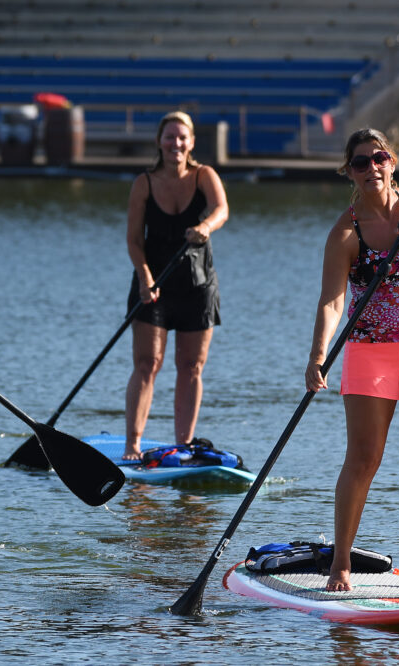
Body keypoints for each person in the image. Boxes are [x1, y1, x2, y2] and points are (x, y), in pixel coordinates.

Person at [304, 128, 399, 591]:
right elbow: (332, 302)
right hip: (370, 353)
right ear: (347, 171)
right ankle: (340, 566)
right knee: (364, 458)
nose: (371, 167)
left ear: (392, 161)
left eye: (379, 158)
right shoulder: (345, 232)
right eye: (359, 162)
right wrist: (317, 357)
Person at [124, 111, 228, 460]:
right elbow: (134, 240)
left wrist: (207, 227)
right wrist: (144, 277)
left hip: (198, 284)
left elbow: (221, 208)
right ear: (159, 142)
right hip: (153, 284)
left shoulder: (204, 176)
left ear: (192, 143)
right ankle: (132, 447)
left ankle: (183, 447)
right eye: (169, 137)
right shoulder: (144, 183)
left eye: (182, 138)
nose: (176, 144)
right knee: (147, 363)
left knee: (191, 366)